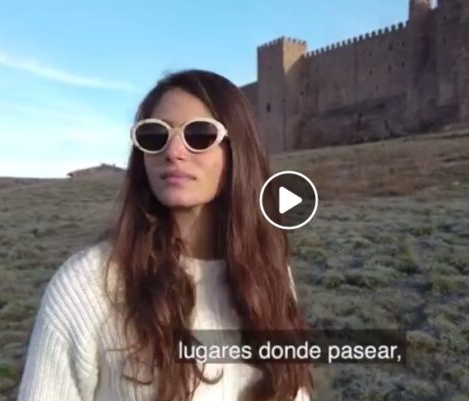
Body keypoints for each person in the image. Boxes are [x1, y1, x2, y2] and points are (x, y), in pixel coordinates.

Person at [17, 69, 314, 401]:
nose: (173, 151)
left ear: (238, 151)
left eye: (199, 135)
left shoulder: (270, 272)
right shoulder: (87, 287)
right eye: (155, 136)